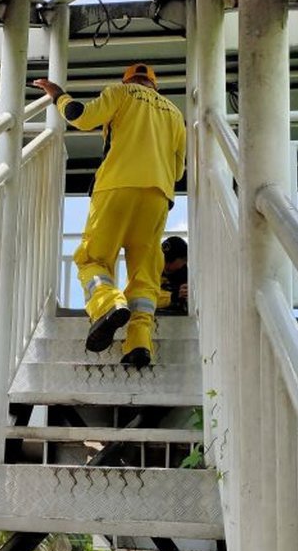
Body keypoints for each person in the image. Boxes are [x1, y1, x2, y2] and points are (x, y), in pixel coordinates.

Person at [34, 63, 186, 368]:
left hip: (116, 187)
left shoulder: (121, 92)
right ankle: (138, 343)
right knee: (145, 275)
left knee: (92, 260)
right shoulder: (175, 113)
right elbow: (179, 169)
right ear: (155, 85)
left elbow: (81, 116)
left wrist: (58, 95)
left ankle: (108, 303)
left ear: (128, 80)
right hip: (158, 195)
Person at [157, 235, 189, 314]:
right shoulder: (147, 269)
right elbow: (145, 295)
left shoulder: (185, 274)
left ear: (185, 260)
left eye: (170, 261)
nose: (166, 265)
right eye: (164, 260)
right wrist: (174, 296)